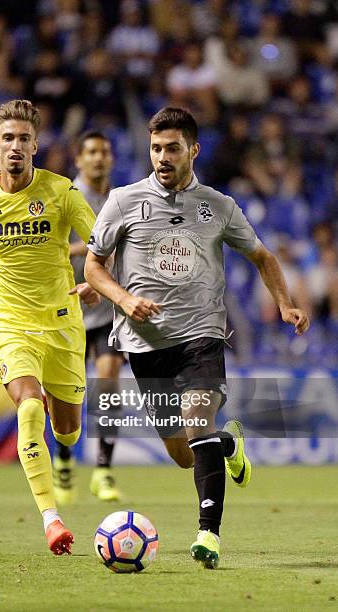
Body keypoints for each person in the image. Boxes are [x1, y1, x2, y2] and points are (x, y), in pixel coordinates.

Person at [85, 107, 310, 568]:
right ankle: (229, 445)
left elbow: (263, 257)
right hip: (145, 344)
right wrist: (124, 300)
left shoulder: (219, 206)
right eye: (155, 148)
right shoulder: (123, 201)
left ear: (193, 150)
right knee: (184, 453)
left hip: (201, 334)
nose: (162, 157)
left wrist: (285, 303)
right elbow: (93, 266)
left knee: (197, 418)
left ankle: (209, 533)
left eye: (172, 148)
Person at [0, 99, 99, 556]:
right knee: (29, 405)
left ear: (36, 146)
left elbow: (101, 242)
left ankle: (62, 444)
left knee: (67, 429)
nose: (16, 146)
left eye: (24, 139)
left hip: (62, 323)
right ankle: (52, 519)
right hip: (7, 320)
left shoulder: (62, 192)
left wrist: (95, 278)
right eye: (8, 138)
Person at [53, 130, 124, 504]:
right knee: (67, 395)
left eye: (105, 151)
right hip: (66, 309)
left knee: (109, 381)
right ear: (78, 159)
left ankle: (103, 470)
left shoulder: (119, 198)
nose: (99, 158)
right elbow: (53, 248)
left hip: (106, 310)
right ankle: (64, 460)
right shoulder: (63, 196)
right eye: (92, 152)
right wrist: (95, 245)